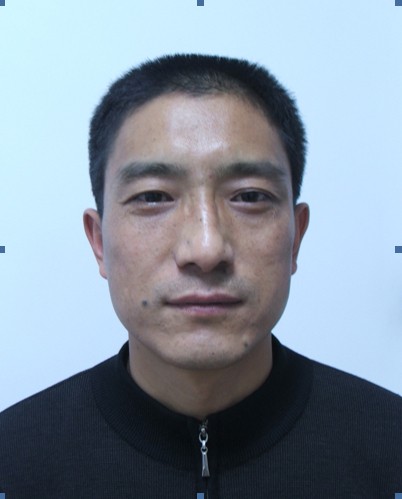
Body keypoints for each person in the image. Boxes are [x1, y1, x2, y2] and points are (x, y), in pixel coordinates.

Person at [0, 54, 401, 499]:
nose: (206, 250)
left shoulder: (391, 449)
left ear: (295, 237)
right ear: (99, 241)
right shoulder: (12, 461)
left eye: (249, 196)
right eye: (153, 197)